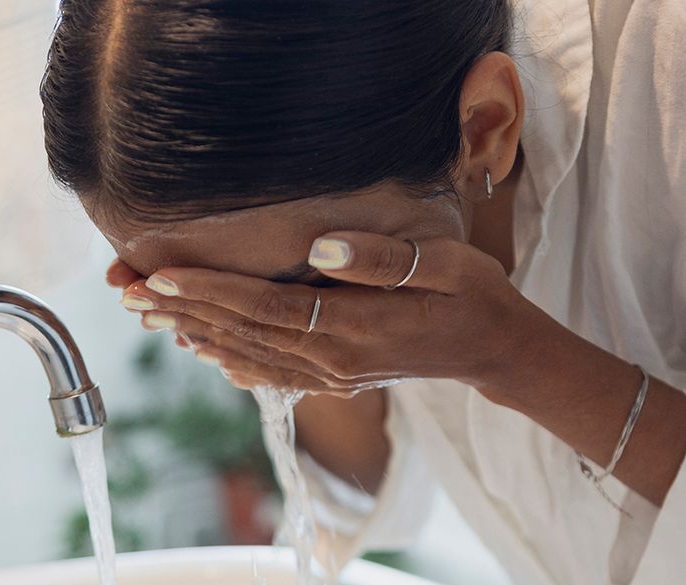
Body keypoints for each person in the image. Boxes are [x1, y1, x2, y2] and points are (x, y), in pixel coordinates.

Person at [39, 0, 686, 583]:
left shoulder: (665, 66)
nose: (272, 325)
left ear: (484, 125)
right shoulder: (370, 193)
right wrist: (295, 358)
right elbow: (373, 502)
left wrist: (514, 354)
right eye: (189, 293)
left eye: (319, 281)